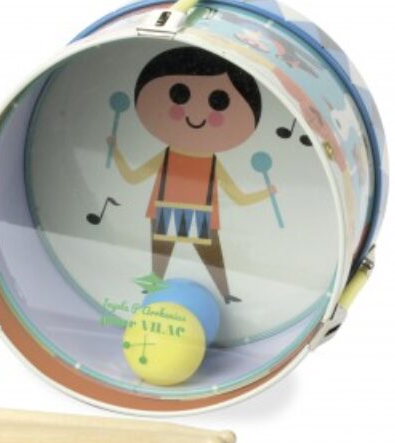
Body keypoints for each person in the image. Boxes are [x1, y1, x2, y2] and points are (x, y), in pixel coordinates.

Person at [108, 47, 277, 304]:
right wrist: (116, 152)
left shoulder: (211, 162)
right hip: (165, 208)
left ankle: (225, 294)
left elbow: (239, 197)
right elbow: (133, 177)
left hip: (200, 214)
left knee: (211, 258)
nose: (196, 113)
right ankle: (163, 289)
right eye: (180, 94)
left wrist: (267, 192)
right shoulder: (169, 155)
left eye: (218, 101)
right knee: (162, 258)